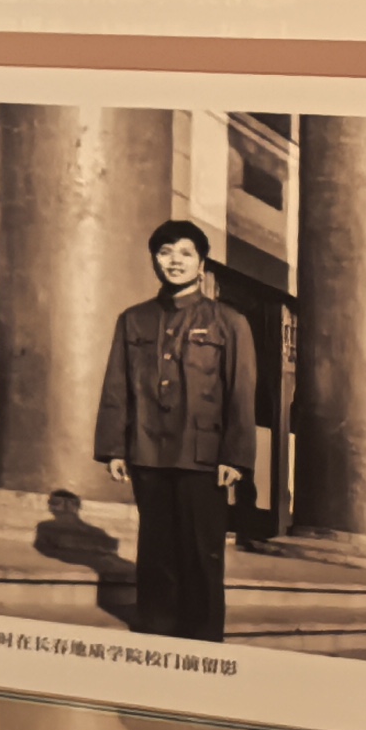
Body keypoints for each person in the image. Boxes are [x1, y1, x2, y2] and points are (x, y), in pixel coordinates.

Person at [93, 217, 257, 643]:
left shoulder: (229, 321)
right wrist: (114, 447)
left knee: (202, 552)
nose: (175, 261)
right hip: (147, 449)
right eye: (165, 252)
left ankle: (203, 640)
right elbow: (116, 385)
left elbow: (241, 392)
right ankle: (156, 630)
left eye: (185, 253)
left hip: (204, 456)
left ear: (201, 264)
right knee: (156, 549)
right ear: (154, 260)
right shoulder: (133, 319)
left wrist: (235, 455)